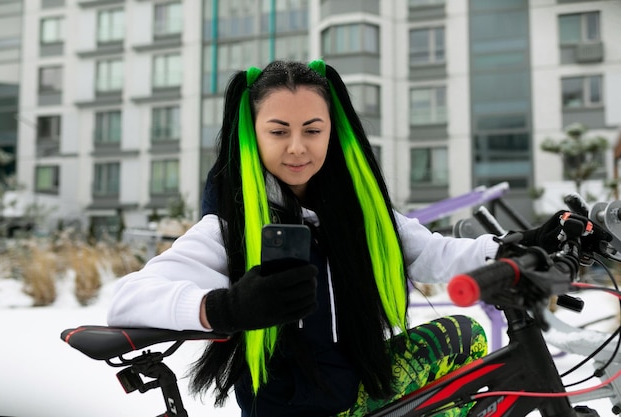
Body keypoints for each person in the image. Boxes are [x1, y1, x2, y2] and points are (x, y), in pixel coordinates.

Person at [106, 60, 588, 417]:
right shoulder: (229, 229)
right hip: (293, 410)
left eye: (313, 130)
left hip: (362, 388)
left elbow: (436, 252)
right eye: (279, 131)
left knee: (464, 335)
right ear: (252, 137)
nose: (297, 147)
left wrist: (517, 245)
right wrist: (227, 308)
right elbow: (129, 299)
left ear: (332, 133)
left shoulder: (362, 217)